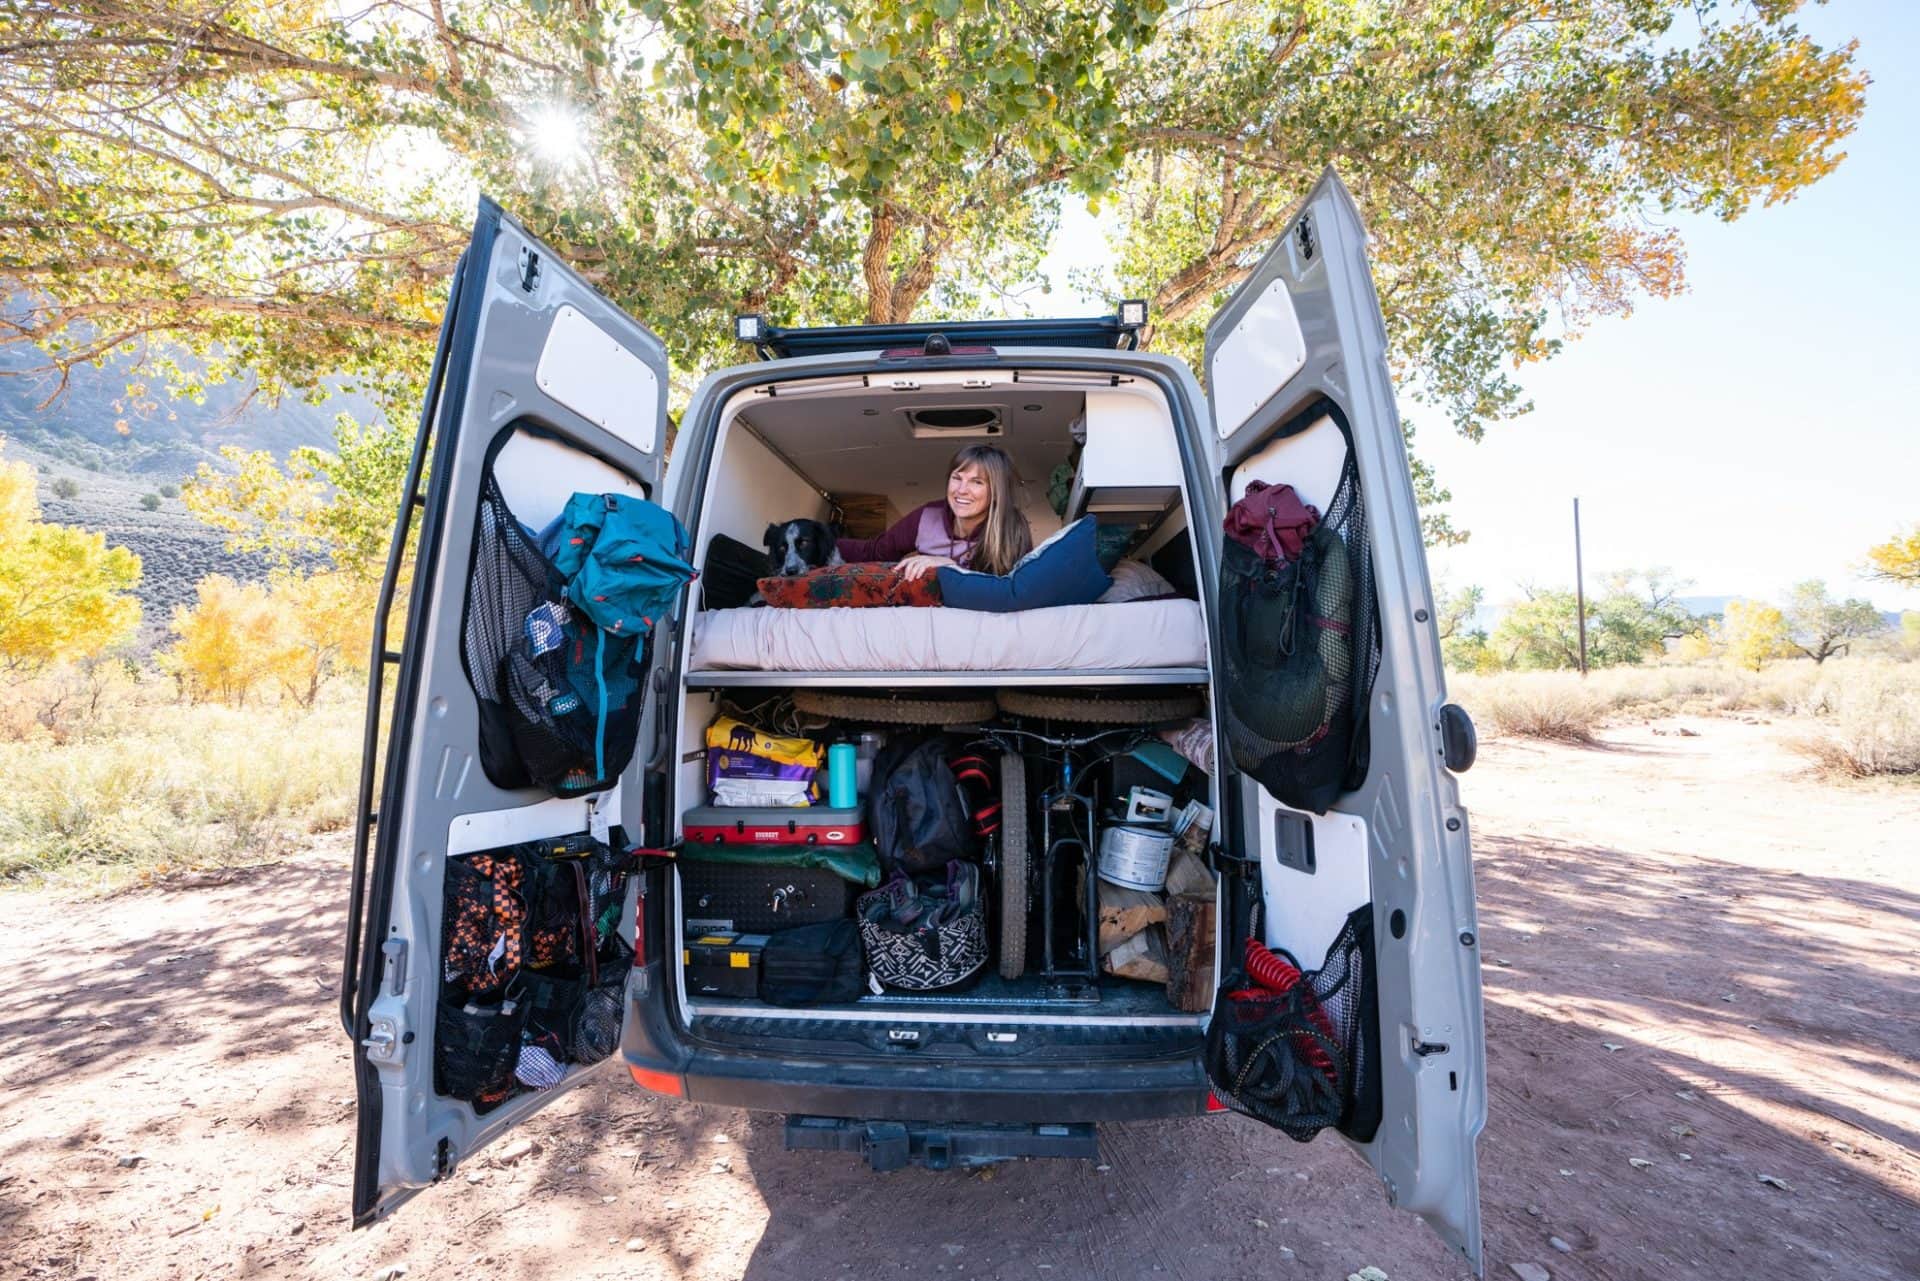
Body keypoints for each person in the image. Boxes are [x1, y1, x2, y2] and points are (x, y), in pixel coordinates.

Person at [836, 443, 1034, 579]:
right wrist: (822, 542)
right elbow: (874, 552)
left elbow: (1012, 588)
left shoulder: (1013, 526)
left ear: (997, 492)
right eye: (957, 478)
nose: (961, 490)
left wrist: (950, 567)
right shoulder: (928, 516)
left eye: (977, 482)